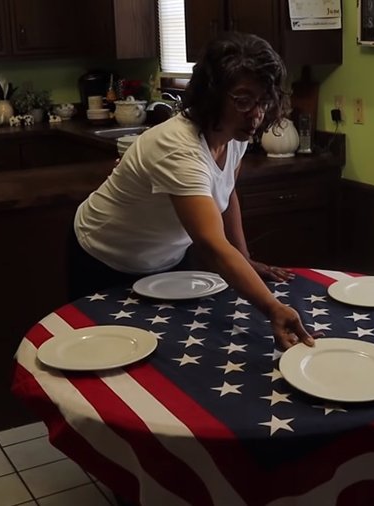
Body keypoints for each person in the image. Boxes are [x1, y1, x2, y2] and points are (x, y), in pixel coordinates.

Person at [70, 32, 316, 351]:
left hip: (165, 259)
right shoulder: (178, 147)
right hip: (103, 259)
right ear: (212, 94)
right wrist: (272, 308)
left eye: (264, 100)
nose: (256, 113)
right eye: (243, 100)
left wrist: (244, 257)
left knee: (168, 353)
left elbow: (226, 195)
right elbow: (212, 245)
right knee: (106, 358)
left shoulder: (235, 135)